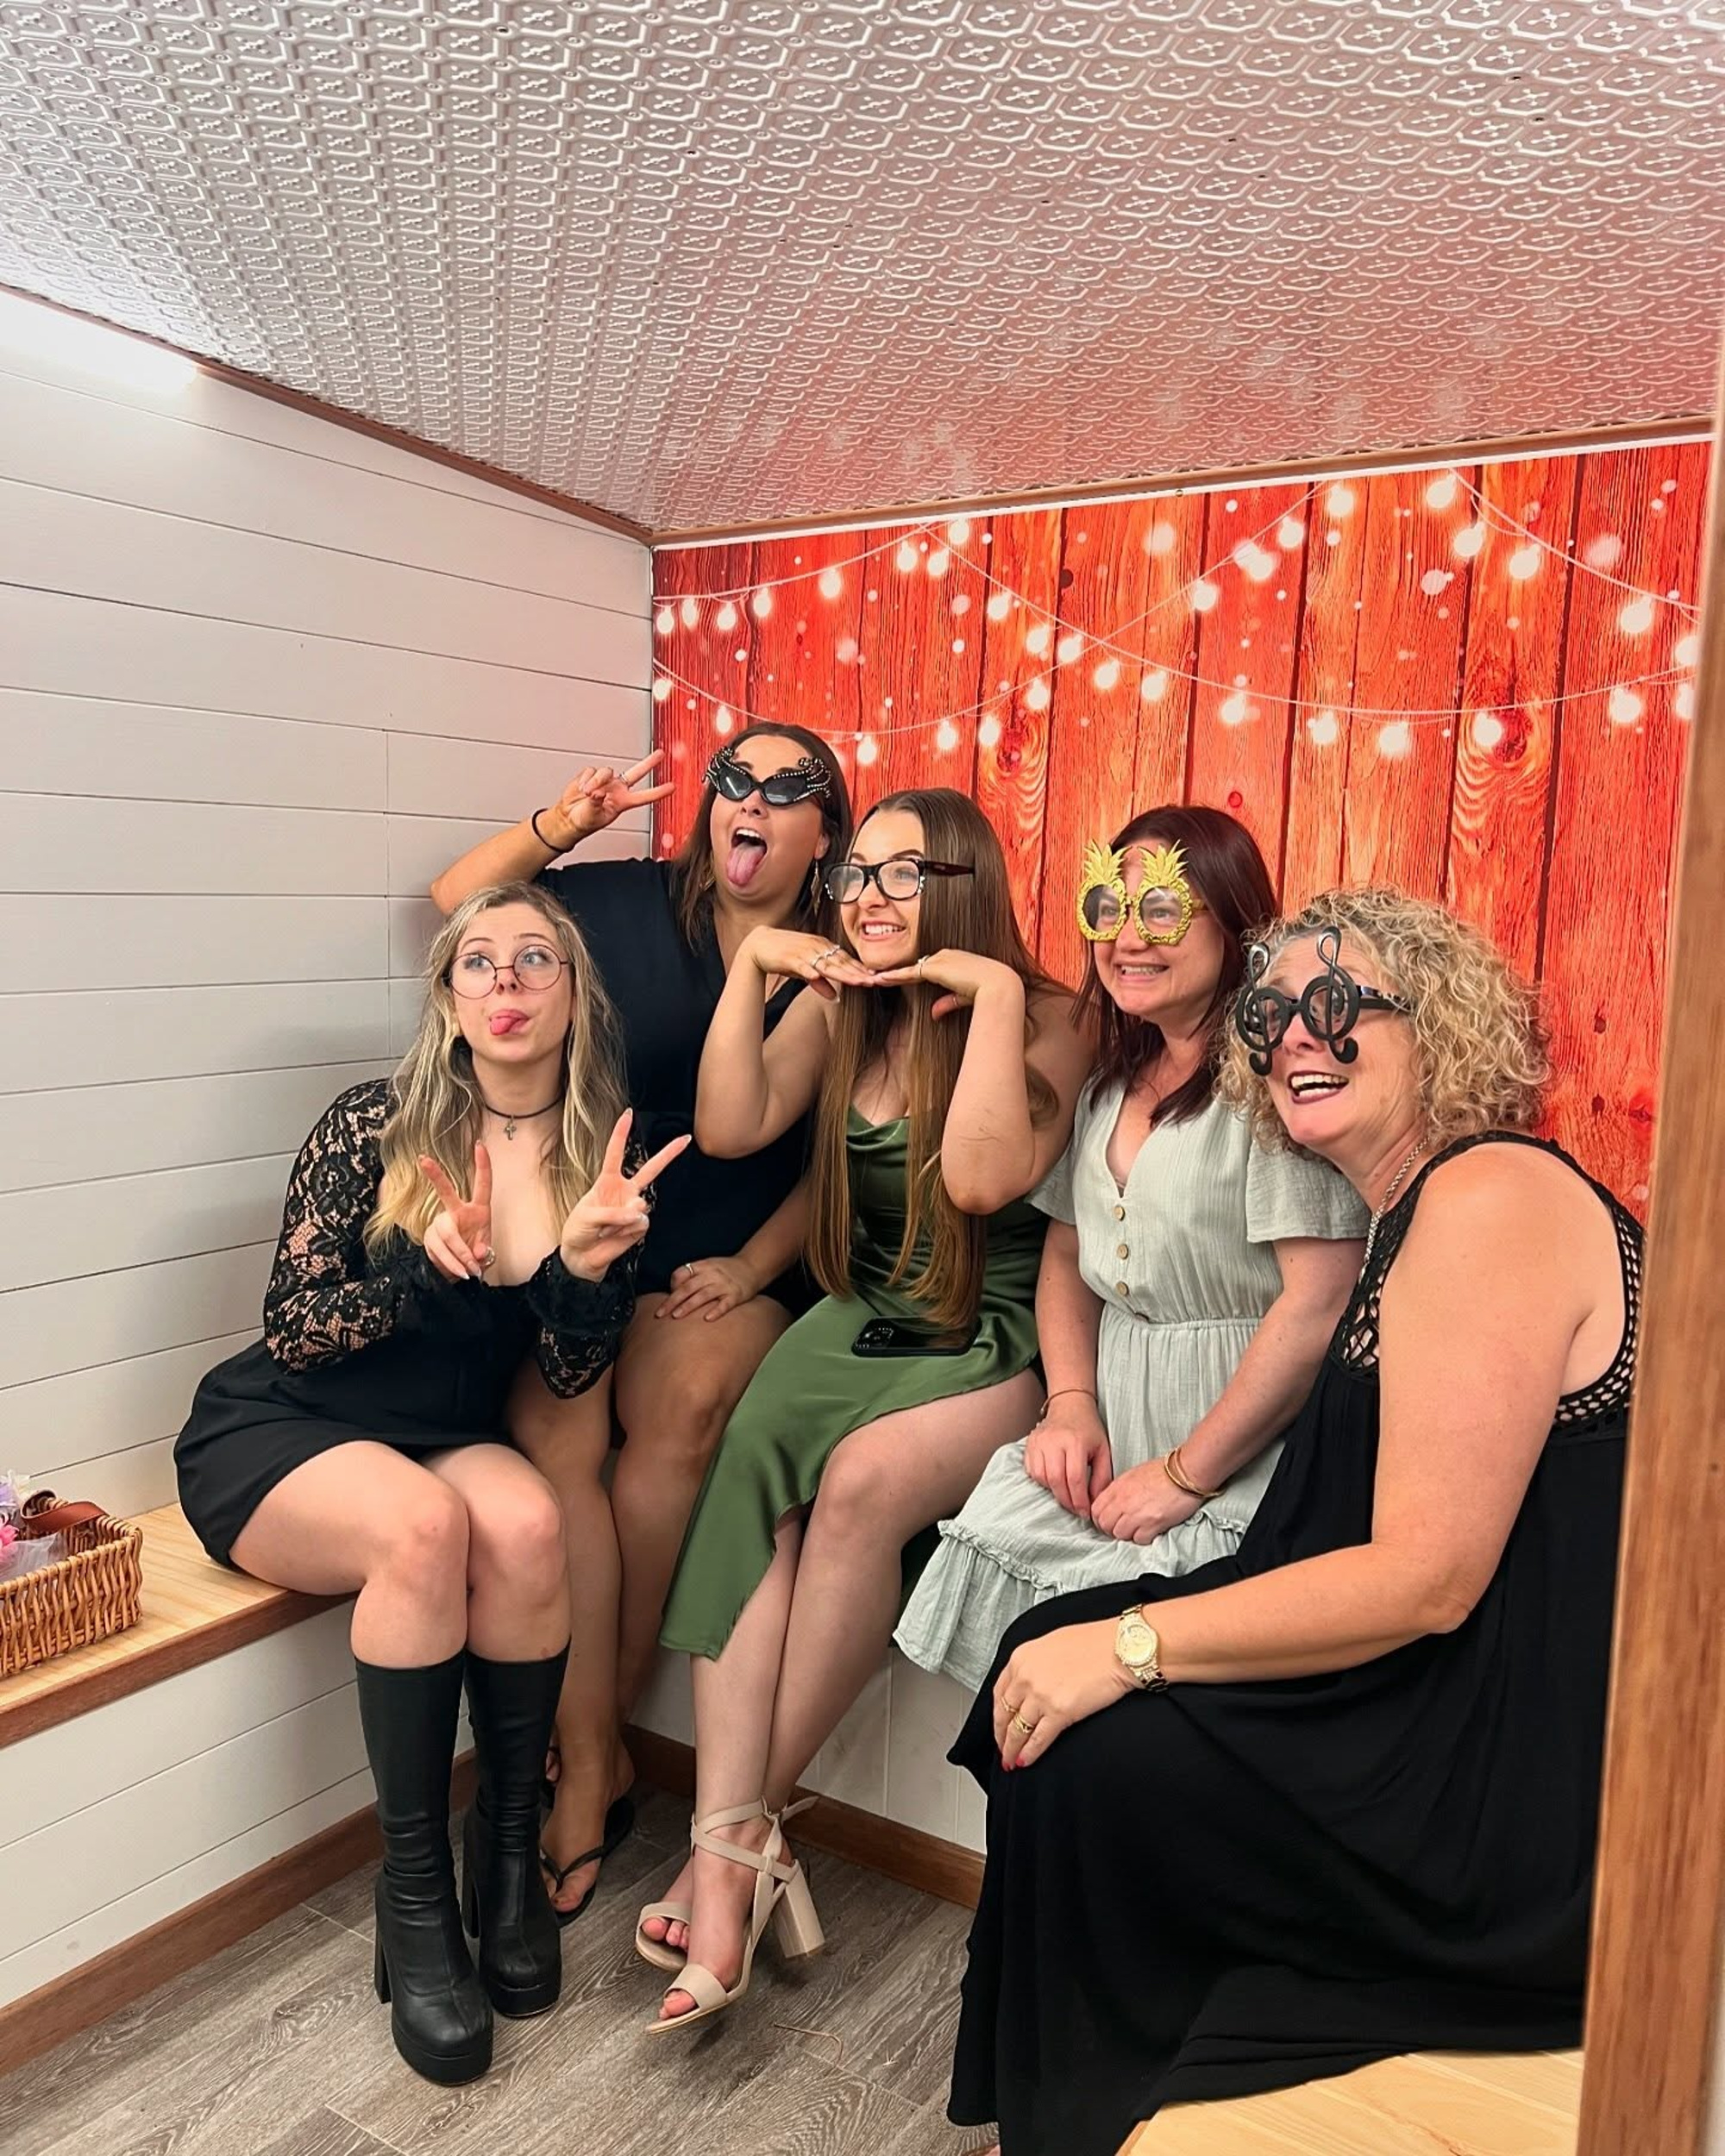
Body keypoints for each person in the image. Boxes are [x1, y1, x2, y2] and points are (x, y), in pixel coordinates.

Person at [946, 887, 1642, 2156]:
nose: (1293, 1037)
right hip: (1447, 1690)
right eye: (1269, 1014)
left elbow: (1428, 1580)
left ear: (1438, 1024)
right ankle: (1078, 2097)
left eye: (1337, 1003)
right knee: (1042, 1656)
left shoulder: (1491, 1197)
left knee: (1096, 1742)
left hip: (1501, 1777)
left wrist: (1136, 1645)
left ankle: (1094, 2104)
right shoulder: (1409, 1209)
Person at [175, 884, 684, 2086]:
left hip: (434, 1436)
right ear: (449, 1003)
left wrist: (583, 1270)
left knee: (523, 1518)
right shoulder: (373, 1123)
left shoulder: (596, 1157)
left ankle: (503, 1858)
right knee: (426, 1526)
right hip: (285, 1428)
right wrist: (416, 1279)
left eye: (535, 962)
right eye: (478, 965)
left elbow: (566, 1369)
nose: (505, 985)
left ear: (574, 997)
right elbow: (292, 1329)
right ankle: (413, 1901)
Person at [637, 787, 1091, 2033]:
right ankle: (739, 1853)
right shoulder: (843, 1009)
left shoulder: (1053, 1014)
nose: (871, 898)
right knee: (751, 1472)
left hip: (986, 1323)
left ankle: (724, 1850)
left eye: (904, 874)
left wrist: (994, 999)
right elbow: (734, 1129)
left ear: (964, 882)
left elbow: (990, 1176)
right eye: (858, 877)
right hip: (864, 1307)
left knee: (858, 1491)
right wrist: (760, 974)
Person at [429, 725, 852, 1916]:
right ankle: (598, 1751)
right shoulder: (625, 903)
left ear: (826, 829)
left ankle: (594, 1749)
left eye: (788, 788)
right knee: (557, 1427)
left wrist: (758, 1263)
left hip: (736, 1243)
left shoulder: (832, 957)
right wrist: (567, 821)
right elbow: (460, 904)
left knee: (676, 1404)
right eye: (735, 780)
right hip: (592, 1223)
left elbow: (848, 1151)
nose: (751, 802)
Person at [897, 807, 1365, 1689]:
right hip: (1112, 1429)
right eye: (1107, 909)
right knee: (1026, 1689)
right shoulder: (1109, 1086)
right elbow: (1067, 1264)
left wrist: (1188, 1476)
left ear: (1234, 927)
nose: (1126, 937)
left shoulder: (1272, 1089)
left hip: (1239, 1447)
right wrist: (1070, 1403)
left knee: (1137, 1691)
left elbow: (1316, 1305)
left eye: (1160, 910)